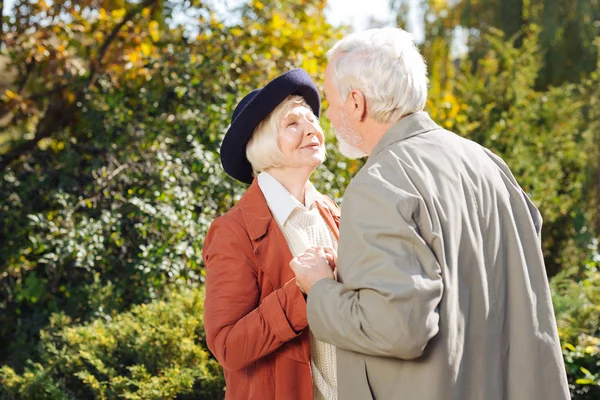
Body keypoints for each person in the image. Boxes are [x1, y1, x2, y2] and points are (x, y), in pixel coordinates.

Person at [289, 28, 570, 400]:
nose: (330, 116)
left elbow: (397, 328)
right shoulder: (488, 164)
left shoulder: (378, 183)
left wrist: (320, 288)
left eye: (331, 100)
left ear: (356, 103)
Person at [202, 68, 341, 400]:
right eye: (293, 123)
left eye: (312, 120)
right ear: (262, 144)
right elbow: (227, 345)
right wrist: (302, 294)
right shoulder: (233, 231)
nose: (312, 129)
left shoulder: (334, 213)